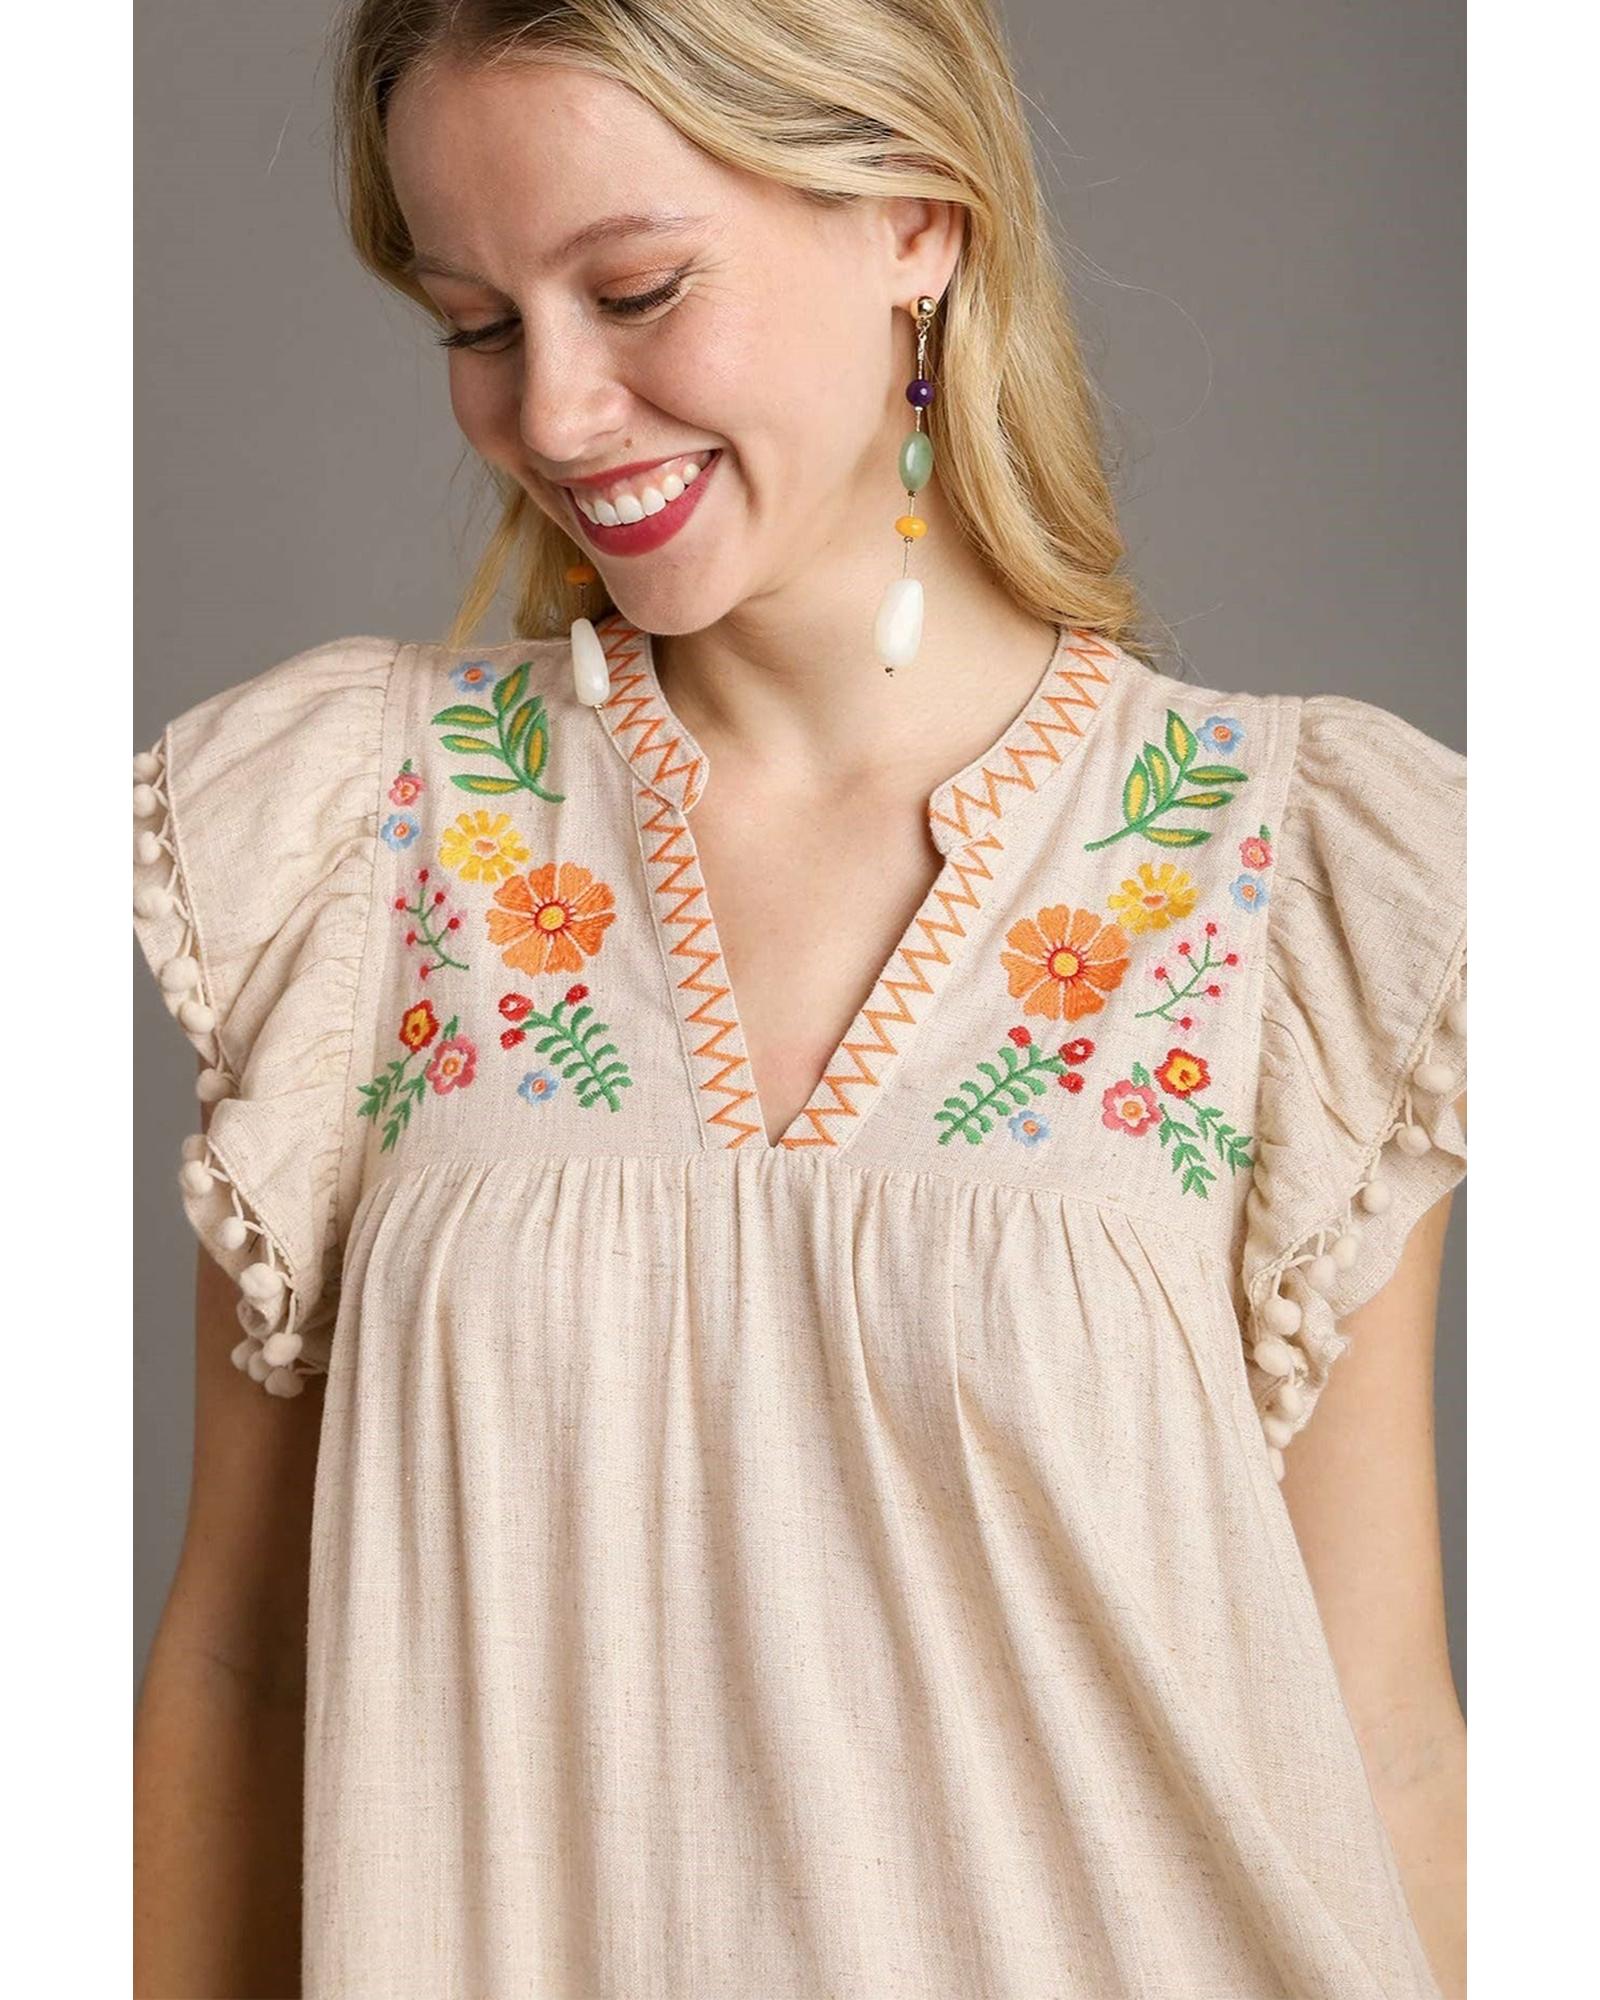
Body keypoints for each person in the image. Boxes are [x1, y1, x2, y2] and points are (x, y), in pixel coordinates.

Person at [131, 3, 1468, 1996]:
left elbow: (1380, 1718)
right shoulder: (361, 840)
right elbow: (242, 1669)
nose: (555, 410)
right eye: (475, 323)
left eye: (635, 290)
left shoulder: (1284, 876)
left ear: (915, 219)